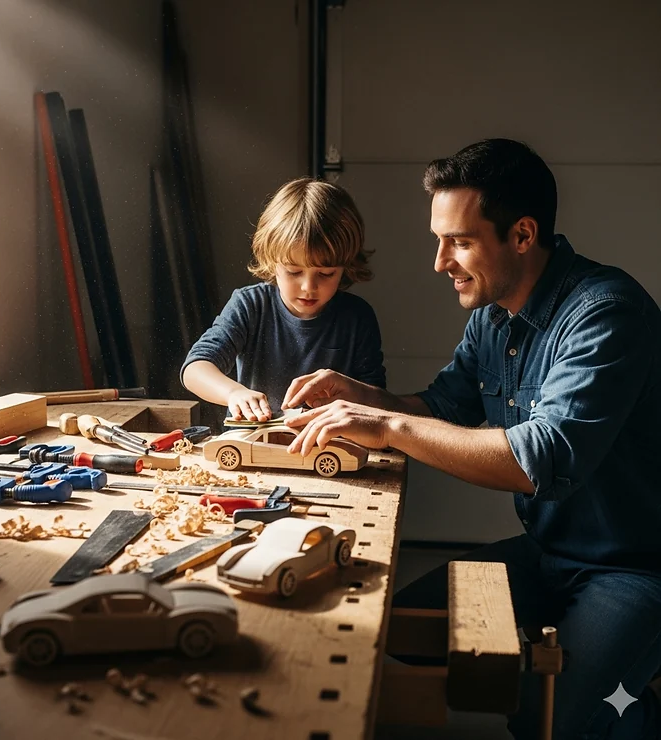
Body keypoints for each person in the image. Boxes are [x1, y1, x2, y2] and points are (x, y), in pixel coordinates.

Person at [282, 139, 661, 739]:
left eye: (458, 241)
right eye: (439, 239)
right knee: (397, 630)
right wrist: (358, 398)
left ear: (522, 234)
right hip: (550, 552)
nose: (440, 262)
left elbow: (540, 460)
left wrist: (389, 427)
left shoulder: (605, 314)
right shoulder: (492, 316)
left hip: (637, 568)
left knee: (548, 719)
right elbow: (440, 406)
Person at [181, 177, 386, 422]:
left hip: (327, 448)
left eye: (326, 273)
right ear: (272, 261)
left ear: (346, 266)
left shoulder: (357, 318)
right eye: (293, 271)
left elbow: (378, 401)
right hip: (251, 446)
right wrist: (233, 392)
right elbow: (195, 369)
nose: (308, 287)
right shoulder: (250, 306)